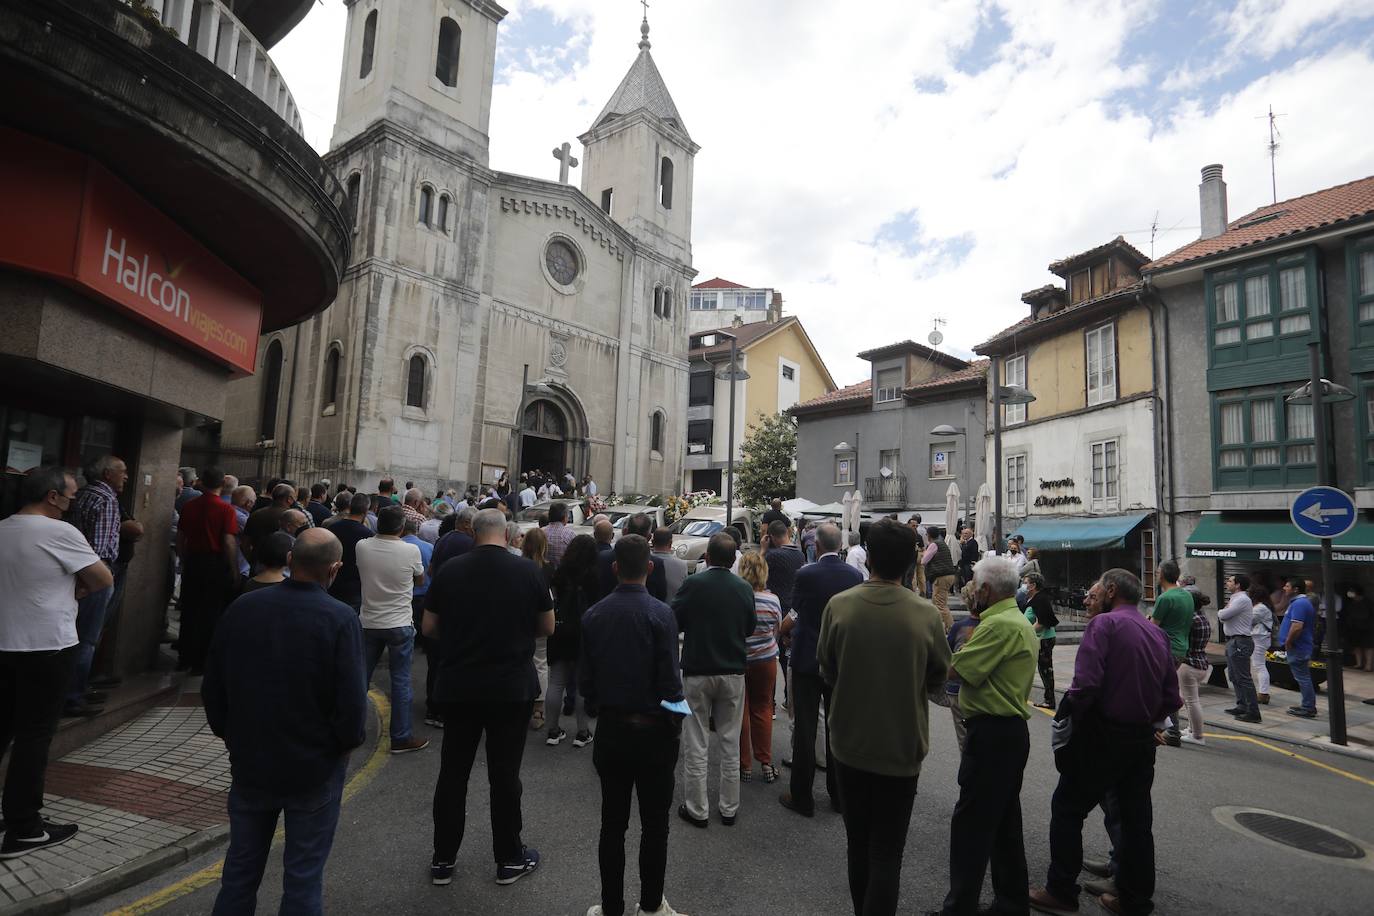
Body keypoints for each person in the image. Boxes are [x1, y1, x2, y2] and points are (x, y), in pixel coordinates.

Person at [203, 528, 368, 914]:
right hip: (314, 765)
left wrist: (230, 733)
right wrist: (343, 745)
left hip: (251, 759)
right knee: (303, 874)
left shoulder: (244, 607)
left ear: (291, 560)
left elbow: (214, 684)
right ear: (335, 569)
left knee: (240, 867)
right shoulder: (340, 618)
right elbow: (351, 702)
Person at [1029, 570, 1181, 916]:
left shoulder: (1104, 625)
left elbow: (1085, 686)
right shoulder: (1155, 633)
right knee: (1136, 821)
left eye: (1094, 594)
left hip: (1103, 735)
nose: (1088, 600)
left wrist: (1071, 720)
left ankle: (1061, 891)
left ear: (1112, 591)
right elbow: (1172, 697)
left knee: (1068, 809)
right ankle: (1134, 900)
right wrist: (1151, 721)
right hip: (1141, 739)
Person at [818, 519, 949, 916]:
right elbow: (939, 676)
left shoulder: (840, 606)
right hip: (901, 748)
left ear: (869, 558)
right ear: (910, 564)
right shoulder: (925, 614)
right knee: (887, 852)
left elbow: (827, 669)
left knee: (857, 844)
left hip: (849, 744)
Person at [424, 509, 553, 887]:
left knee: (453, 772)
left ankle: (443, 858)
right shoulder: (528, 571)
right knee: (505, 774)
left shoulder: (450, 570)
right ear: (507, 535)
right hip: (510, 687)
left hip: (459, 684)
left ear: (474, 532)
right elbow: (547, 626)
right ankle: (509, 858)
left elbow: (429, 626)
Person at [0, 467, 112, 857]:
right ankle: (24, 827)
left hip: (4, 643)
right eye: (71, 496)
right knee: (34, 736)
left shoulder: (3, 529)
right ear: (52, 496)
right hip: (46, 646)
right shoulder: (60, 532)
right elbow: (102, 579)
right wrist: (75, 588)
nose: (73, 502)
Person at [580, 535, 688, 916]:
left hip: (612, 730)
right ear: (650, 567)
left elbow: (586, 683)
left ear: (615, 569)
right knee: (655, 826)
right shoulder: (662, 614)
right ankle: (651, 905)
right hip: (655, 732)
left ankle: (612, 907)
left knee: (612, 824)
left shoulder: (594, 616)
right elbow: (671, 682)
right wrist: (674, 724)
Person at [938, 555, 1037, 916]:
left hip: (993, 732)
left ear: (984, 590)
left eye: (975, 586)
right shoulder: (1016, 620)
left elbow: (958, 669)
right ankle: (1011, 902)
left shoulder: (997, 625)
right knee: (1005, 822)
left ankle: (960, 907)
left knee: (972, 825)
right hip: (1008, 732)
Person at [671, 532, 755, 828]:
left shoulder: (693, 584)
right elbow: (749, 627)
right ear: (733, 560)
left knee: (696, 739)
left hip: (698, 668)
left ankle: (697, 808)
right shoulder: (744, 588)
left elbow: (675, 620)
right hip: (732, 670)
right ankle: (729, 807)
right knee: (730, 740)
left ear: (707, 557)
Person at [781, 521, 861, 817]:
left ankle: (802, 796)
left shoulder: (806, 574)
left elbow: (796, 610)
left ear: (816, 546)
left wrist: (783, 631)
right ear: (840, 546)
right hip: (838, 658)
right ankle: (839, 796)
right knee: (836, 728)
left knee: (805, 728)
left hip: (807, 656)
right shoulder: (854, 575)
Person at [355, 505, 428, 754]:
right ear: (402, 527)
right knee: (401, 681)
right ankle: (400, 736)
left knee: (361, 678)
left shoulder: (362, 546)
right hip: (399, 623)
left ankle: (352, 729)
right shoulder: (410, 550)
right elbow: (420, 579)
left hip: (369, 622)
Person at [65, 455, 127, 716]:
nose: (126, 477)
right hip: (94, 575)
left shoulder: (83, 494)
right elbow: (99, 548)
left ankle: (72, 689)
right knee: (87, 637)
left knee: (74, 634)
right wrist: (97, 579)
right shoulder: (106, 499)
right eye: (122, 471)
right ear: (107, 474)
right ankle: (73, 696)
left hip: (75, 571)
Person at [176, 467, 241, 674]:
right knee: (210, 612)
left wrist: (184, 559)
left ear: (202, 483)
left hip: (193, 560)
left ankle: (184, 657)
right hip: (214, 563)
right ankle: (201, 661)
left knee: (189, 609)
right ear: (222, 485)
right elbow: (228, 541)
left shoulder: (190, 506)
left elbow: (181, 537)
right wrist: (234, 569)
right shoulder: (226, 509)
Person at [548, 535, 598, 747]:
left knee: (556, 682)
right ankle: (582, 732)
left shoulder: (560, 572)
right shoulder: (593, 575)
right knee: (580, 685)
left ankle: (552, 730)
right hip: (583, 631)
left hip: (560, 629)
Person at [737, 552, 782, 785]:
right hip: (765, 660)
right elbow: (776, 630)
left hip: (739, 659)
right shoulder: (772, 600)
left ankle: (744, 764)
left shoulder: (736, 598)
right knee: (763, 708)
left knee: (741, 710)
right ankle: (765, 762)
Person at [400, 515, 440, 729]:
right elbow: (428, 572)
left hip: (406, 596)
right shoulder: (427, 547)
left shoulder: (398, 547)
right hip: (424, 595)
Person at [522, 527, 554, 731]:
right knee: (541, 663)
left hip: (521, 618)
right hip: (542, 616)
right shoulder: (549, 568)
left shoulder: (518, 565)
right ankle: (538, 709)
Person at [944, 582, 982, 753]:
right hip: (981, 686)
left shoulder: (959, 627)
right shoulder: (991, 625)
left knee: (963, 737)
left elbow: (946, 653)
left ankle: (967, 765)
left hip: (956, 688)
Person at [1218, 573, 1260, 723]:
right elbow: (1224, 616)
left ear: (1238, 585)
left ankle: (1253, 712)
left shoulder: (1242, 599)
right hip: (1233, 641)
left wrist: (1222, 612)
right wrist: (1223, 613)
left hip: (1240, 642)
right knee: (1234, 676)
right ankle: (1242, 705)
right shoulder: (1235, 598)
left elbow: (1223, 614)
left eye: (1230, 581)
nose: (1227, 583)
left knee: (1243, 677)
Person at [598, 514, 667, 601]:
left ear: (624, 532)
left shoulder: (603, 558)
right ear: (649, 537)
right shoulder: (657, 564)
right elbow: (661, 596)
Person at [327, 492, 375, 613]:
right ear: (365, 511)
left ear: (350, 507)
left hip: (332, 582)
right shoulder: (367, 535)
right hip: (354, 587)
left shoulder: (332, 528)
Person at [1278, 578, 1318, 718]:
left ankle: (1308, 707)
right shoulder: (1299, 602)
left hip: (1298, 646)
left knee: (1303, 678)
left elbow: (1297, 626)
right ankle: (1307, 705)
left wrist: (1288, 641)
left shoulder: (1300, 603)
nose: (1284, 588)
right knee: (1302, 677)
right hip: (1299, 646)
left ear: (1295, 589)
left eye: (1287, 586)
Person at [1177, 588, 1213, 747]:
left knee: (1191, 701)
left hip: (1189, 663)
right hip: (1200, 662)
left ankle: (1197, 735)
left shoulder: (1190, 619)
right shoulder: (1202, 617)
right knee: (1189, 699)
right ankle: (1192, 729)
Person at [1023, 572, 1060, 710]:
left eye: (1026, 583)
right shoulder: (1035, 599)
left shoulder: (1040, 599)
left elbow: (1042, 622)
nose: (1024, 586)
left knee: (1045, 670)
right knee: (1043, 669)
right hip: (1040, 639)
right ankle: (1048, 699)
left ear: (1033, 585)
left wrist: (1026, 633)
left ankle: (1049, 700)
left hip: (1044, 639)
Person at [924, 532, 958, 631]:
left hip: (941, 576)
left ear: (929, 535)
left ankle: (951, 628)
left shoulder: (934, 545)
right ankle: (937, 627)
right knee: (937, 601)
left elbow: (924, 560)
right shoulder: (942, 544)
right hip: (949, 575)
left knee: (940, 604)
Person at [430, 508, 476, 576]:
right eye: (476, 524)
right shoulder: (469, 543)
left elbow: (430, 570)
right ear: (466, 524)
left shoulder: (442, 538)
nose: (477, 528)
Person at [1248, 584, 1274, 706]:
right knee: (1258, 665)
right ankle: (1263, 692)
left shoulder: (1260, 608)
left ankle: (1263, 693)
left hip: (1259, 638)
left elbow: (1248, 620)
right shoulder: (1261, 606)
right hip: (1259, 638)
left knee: (1259, 666)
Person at [651, 529, 688, 605]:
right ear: (670, 543)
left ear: (652, 542)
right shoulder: (682, 565)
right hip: (672, 608)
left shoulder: (644, 561)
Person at [1345, 583, 1374, 671]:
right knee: (1356, 646)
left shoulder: (1368, 602)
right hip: (1354, 628)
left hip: (1367, 628)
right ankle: (1359, 663)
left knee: (1368, 646)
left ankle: (1368, 665)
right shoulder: (1351, 603)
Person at [544, 502, 576, 567]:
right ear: (564, 517)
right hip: (564, 570)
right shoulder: (569, 534)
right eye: (567, 516)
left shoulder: (541, 532)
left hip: (543, 570)